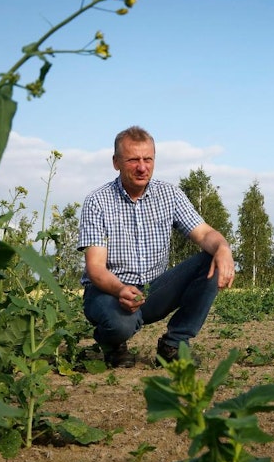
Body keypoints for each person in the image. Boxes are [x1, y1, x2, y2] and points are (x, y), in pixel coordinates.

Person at [78, 125, 235, 368]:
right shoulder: (97, 202)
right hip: (108, 293)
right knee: (121, 324)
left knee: (210, 257)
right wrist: (120, 290)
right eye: (133, 160)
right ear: (116, 162)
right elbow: (95, 268)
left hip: (153, 291)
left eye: (147, 159)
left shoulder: (169, 194)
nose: (142, 167)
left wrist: (224, 249)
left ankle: (173, 344)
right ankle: (112, 344)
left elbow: (204, 233)